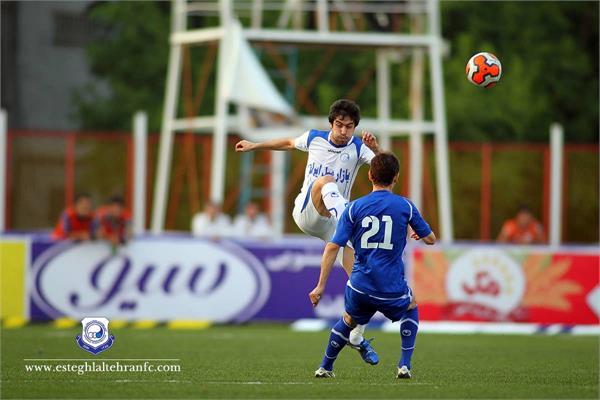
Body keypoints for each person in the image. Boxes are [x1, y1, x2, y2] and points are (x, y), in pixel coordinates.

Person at [235, 99, 381, 362]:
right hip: (308, 213)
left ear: (355, 127)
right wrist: (254, 145)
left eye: (349, 127)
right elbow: (288, 143)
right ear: (330, 124)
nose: (344, 131)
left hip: (334, 223)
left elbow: (384, 171)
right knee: (326, 182)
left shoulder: (359, 147)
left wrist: (376, 149)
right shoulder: (314, 138)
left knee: (362, 282)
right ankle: (346, 221)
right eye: (339, 125)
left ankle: (358, 336)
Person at [309, 152, 436, 379]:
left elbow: (332, 247)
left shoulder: (354, 208)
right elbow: (431, 239)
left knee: (348, 319)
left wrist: (320, 286)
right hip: (391, 288)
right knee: (411, 305)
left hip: (360, 286)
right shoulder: (405, 206)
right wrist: (418, 232)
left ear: (369, 175)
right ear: (396, 177)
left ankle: (325, 367)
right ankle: (404, 365)